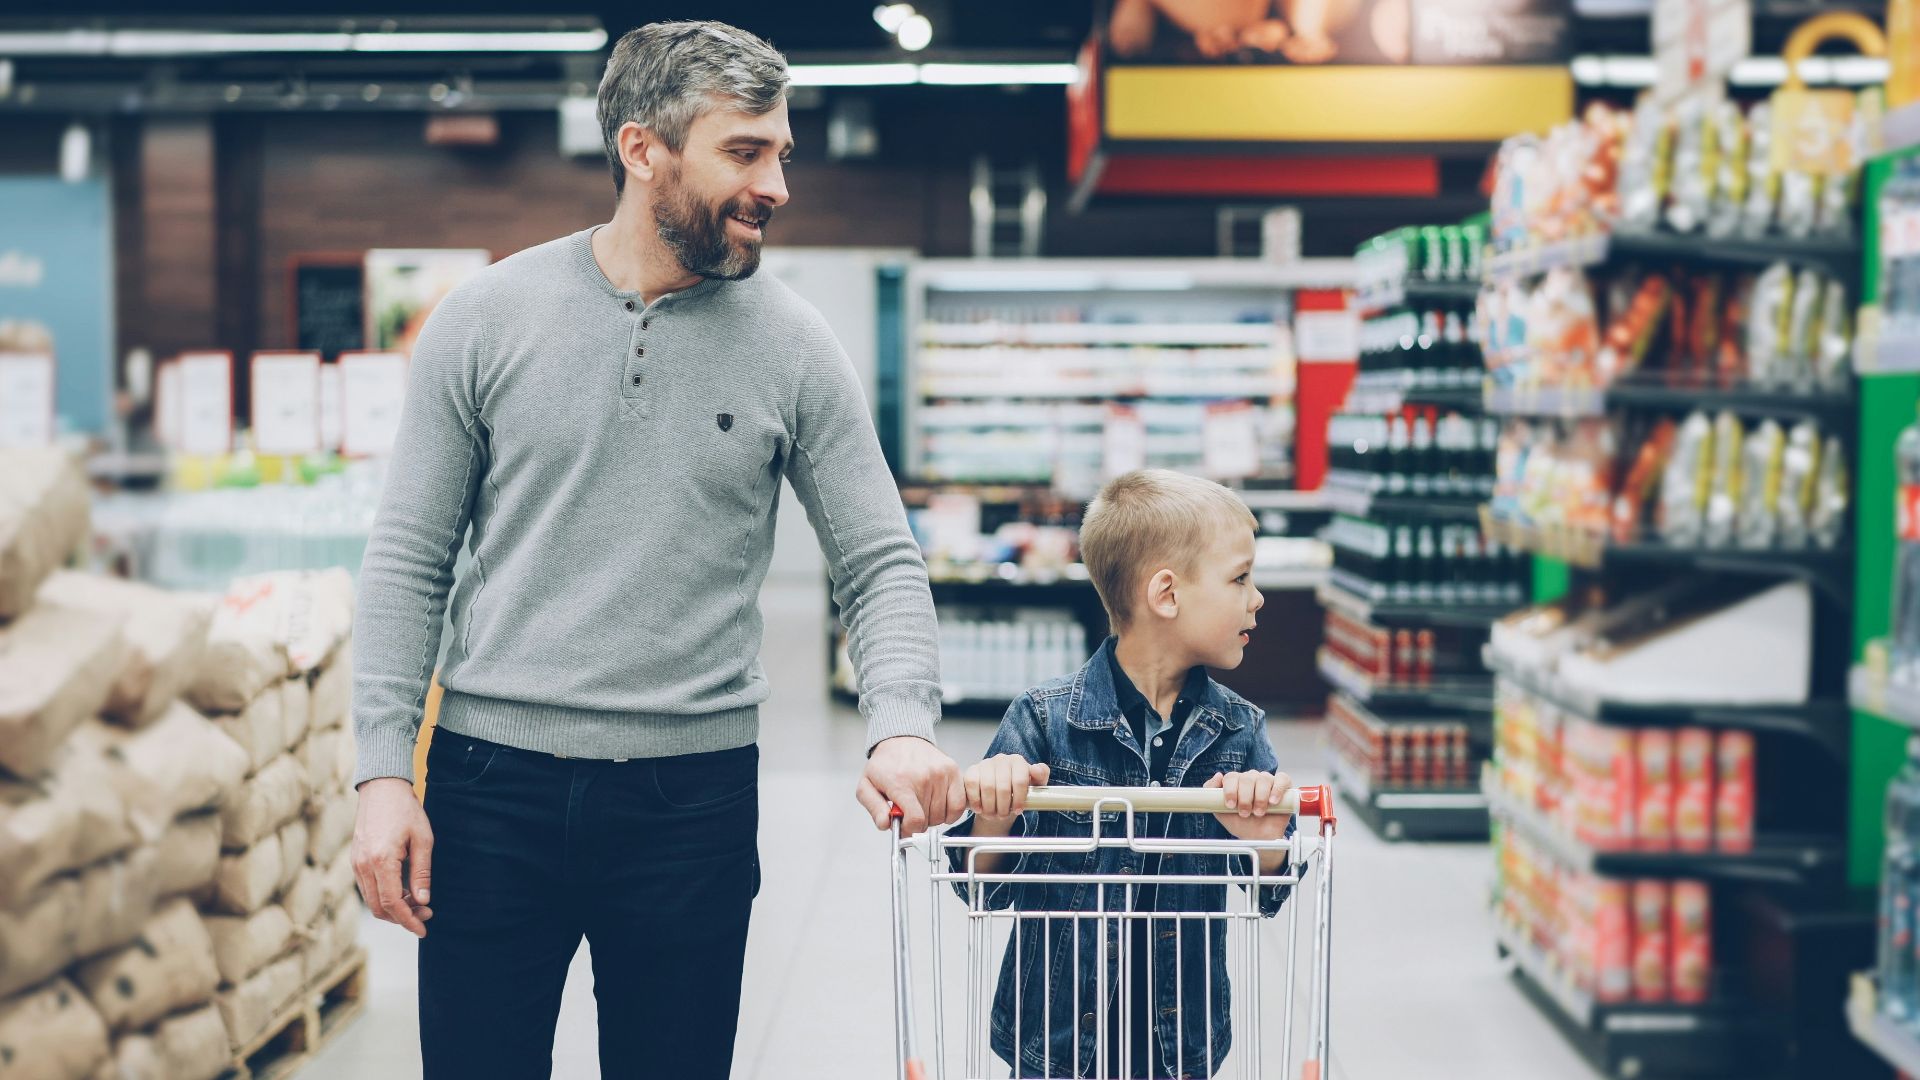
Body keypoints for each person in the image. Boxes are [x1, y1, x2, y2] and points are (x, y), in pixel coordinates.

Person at [346, 20, 962, 1079]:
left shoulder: (796, 345)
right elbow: (410, 557)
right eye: (745, 151)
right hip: (493, 789)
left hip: (692, 799)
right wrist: (379, 776)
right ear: (644, 150)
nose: (776, 184)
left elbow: (878, 559)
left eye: (781, 153)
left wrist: (899, 725)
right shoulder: (486, 320)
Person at [948, 469, 1296, 1078]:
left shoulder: (1239, 732)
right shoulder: (1043, 721)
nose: (1257, 596)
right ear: (1166, 594)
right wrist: (994, 812)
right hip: (1055, 1043)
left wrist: (1266, 844)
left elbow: (1272, 889)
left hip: (1178, 1045)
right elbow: (977, 885)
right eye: (1240, 577)